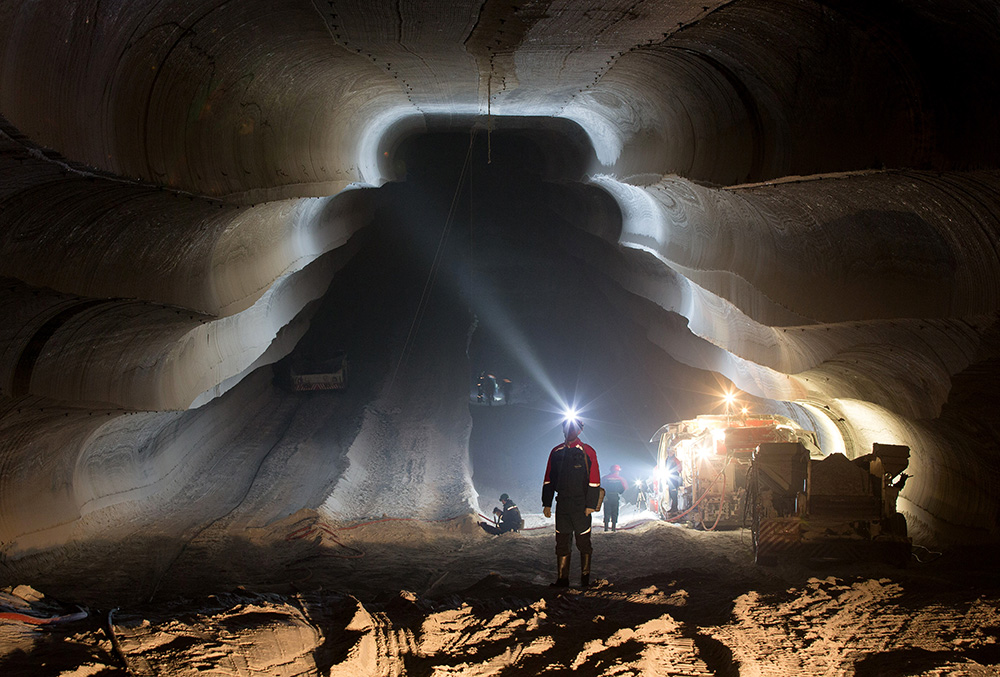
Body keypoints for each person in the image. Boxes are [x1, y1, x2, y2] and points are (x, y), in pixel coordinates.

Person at [542, 416, 600, 588]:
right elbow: (548, 479)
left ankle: (585, 580)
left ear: (580, 430)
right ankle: (562, 580)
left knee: (583, 542)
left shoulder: (587, 451)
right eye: (567, 428)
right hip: (563, 505)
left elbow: (594, 480)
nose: (570, 431)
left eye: (574, 428)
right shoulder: (556, 452)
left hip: (581, 505)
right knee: (561, 541)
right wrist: (547, 503)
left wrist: (590, 504)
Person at [601, 464, 628, 532]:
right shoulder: (620, 479)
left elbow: (601, 487)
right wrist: (619, 492)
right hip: (615, 497)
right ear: (617, 471)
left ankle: (606, 528)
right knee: (614, 512)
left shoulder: (605, 478)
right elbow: (623, 488)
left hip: (607, 497)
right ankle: (613, 528)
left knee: (607, 511)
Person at [664, 448, 683, 514]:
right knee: (671, 493)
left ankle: (675, 508)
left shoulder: (675, 460)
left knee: (674, 493)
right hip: (669, 478)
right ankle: (673, 507)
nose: (669, 453)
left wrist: (676, 471)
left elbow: (680, 468)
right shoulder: (667, 459)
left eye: (670, 452)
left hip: (674, 478)